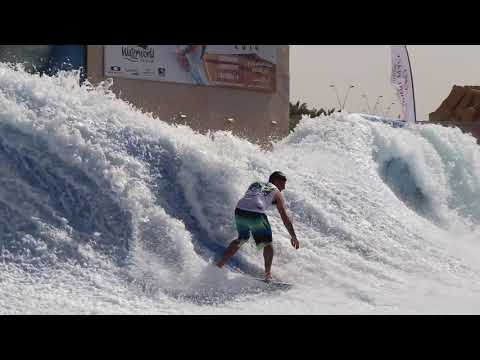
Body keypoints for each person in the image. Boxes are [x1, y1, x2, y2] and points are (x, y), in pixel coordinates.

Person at [217, 171, 299, 282]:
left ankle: (219, 265)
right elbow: (284, 217)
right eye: (283, 184)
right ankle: (267, 275)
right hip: (256, 213)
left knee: (242, 238)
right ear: (277, 181)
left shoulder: (255, 184)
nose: (283, 188)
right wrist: (293, 236)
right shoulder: (276, 192)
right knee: (267, 244)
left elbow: (254, 197)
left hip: (240, 210)